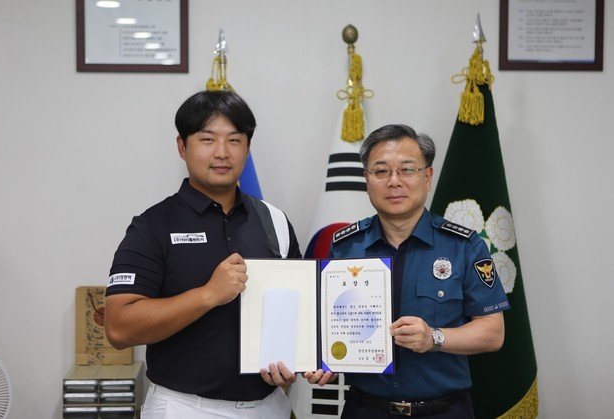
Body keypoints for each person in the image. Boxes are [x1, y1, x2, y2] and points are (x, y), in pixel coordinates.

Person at [104, 90, 301, 418]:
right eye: (207, 139)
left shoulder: (275, 220)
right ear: (182, 147)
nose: (222, 153)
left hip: (269, 406)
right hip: (185, 407)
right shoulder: (153, 226)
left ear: (248, 147)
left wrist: (298, 362)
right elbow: (119, 328)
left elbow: (297, 311)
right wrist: (208, 294)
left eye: (234, 140)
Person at [304, 124, 509, 418]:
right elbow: (329, 326)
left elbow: (493, 332)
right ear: (367, 180)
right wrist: (323, 361)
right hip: (366, 409)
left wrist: (434, 338)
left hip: (444, 410)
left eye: (407, 170)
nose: (394, 182)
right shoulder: (345, 247)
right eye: (381, 171)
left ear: (427, 177)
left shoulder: (464, 246)